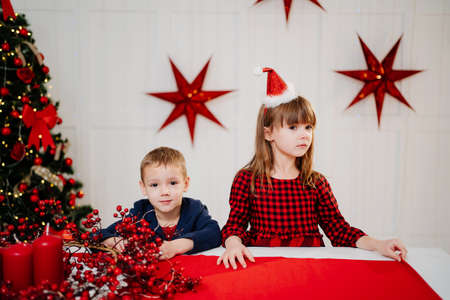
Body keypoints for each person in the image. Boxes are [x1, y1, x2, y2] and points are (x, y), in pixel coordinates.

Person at [218, 67, 407, 269]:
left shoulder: (316, 182)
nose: (304, 135)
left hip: (310, 267)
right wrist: (233, 244)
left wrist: (379, 244)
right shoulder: (247, 180)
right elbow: (234, 226)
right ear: (268, 134)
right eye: (293, 127)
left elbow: (339, 230)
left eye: (308, 127)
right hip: (263, 265)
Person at [101, 146, 221, 259]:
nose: (164, 192)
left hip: (186, 271)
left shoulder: (194, 210)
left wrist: (175, 246)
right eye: (154, 185)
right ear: (143, 188)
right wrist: (111, 241)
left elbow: (214, 233)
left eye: (173, 183)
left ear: (186, 184)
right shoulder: (140, 213)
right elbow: (97, 235)